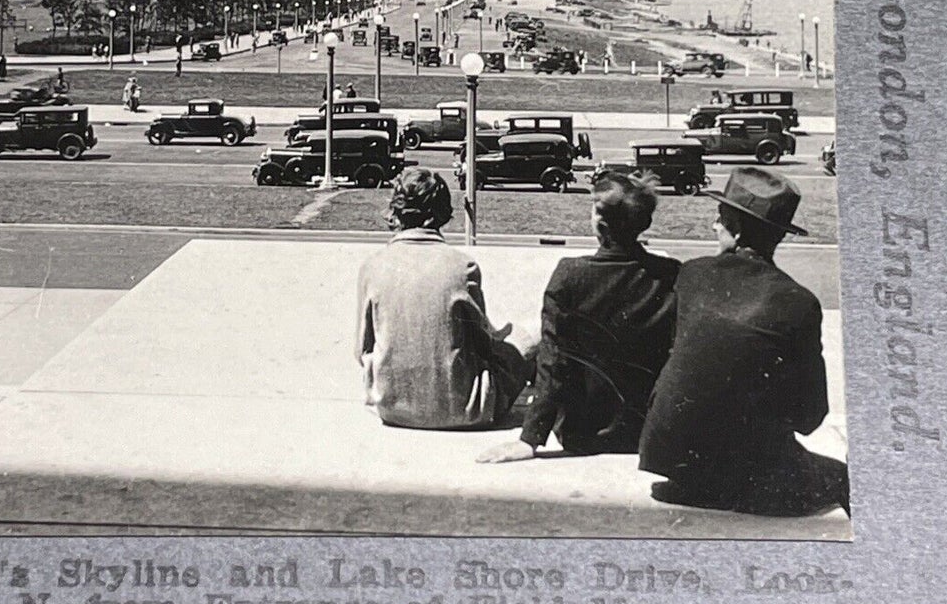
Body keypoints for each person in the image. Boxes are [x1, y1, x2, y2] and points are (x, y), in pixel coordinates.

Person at [639, 167, 849, 517]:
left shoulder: (692, 274)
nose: (713, 226)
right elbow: (811, 416)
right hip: (742, 475)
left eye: (719, 219)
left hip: (670, 462)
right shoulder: (798, 301)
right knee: (846, 478)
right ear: (778, 236)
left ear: (735, 230)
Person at [477, 172, 679, 463]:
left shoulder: (570, 275)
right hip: (645, 431)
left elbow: (552, 362)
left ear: (600, 222)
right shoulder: (670, 275)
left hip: (582, 433)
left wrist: (530, 438)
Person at [355, 169, 534, 430]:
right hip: (465, 410)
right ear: (441, 213)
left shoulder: (372, 267)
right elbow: (484, 347)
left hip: (392, 410)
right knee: (531, 336)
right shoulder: (463, 267)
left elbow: (362, 350)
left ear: (396, 211)